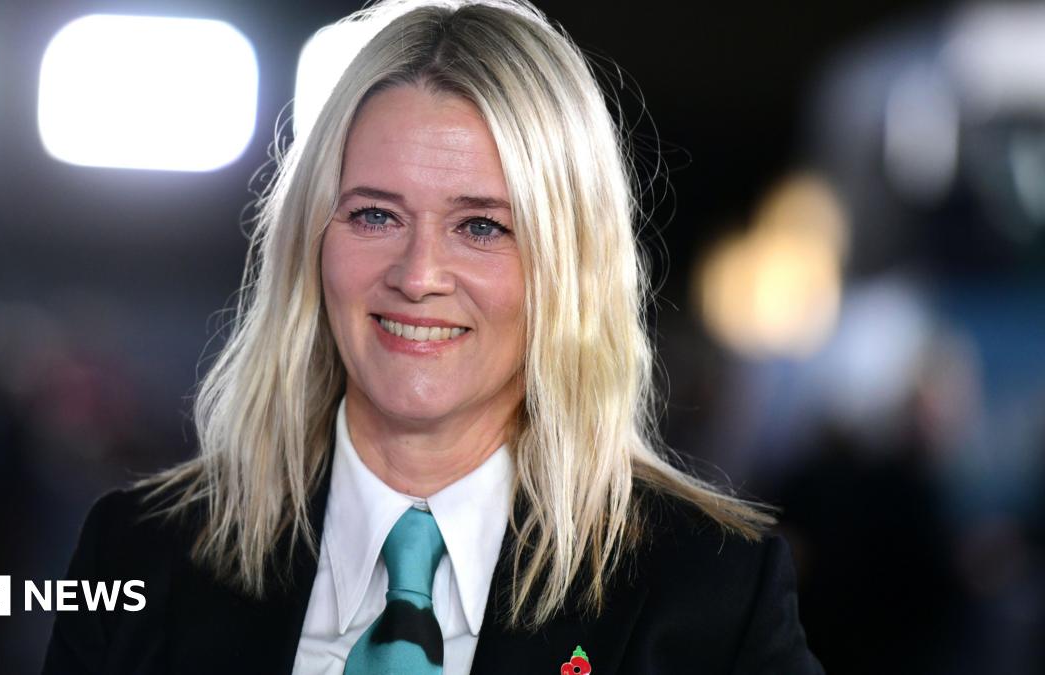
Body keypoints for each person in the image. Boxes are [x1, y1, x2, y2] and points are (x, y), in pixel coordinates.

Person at [42, 1, 823, 673]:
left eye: (481, 226)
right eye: (375, 215)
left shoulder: (710, 594)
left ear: (569, 264)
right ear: (311, 241)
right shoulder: (141, 557)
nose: (419, 275)